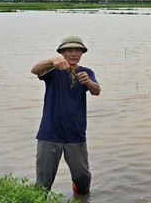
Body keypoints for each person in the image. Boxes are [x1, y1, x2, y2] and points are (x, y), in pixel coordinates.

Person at [31, 35, 101, 196]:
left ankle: (81, 196)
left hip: (75, 133)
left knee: (82, 177)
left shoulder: (87, 72)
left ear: (82, 53)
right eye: (69, 50)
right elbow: (34, 70)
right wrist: (51, 60)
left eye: (78, 50)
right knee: (43, 182)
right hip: (49, 133)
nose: (74, 53)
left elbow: (96, 91)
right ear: (62, 53)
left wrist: (88, 83)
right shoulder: (52, 70)